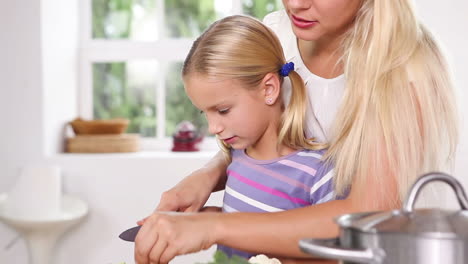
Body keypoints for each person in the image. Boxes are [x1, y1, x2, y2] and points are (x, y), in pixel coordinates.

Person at [135, 0, 459, 263]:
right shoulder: (279, 33)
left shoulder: (404, 68)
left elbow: (364, 216)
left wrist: (212, 227)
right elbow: (271, 140)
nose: (296, 4)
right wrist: (207, 176)